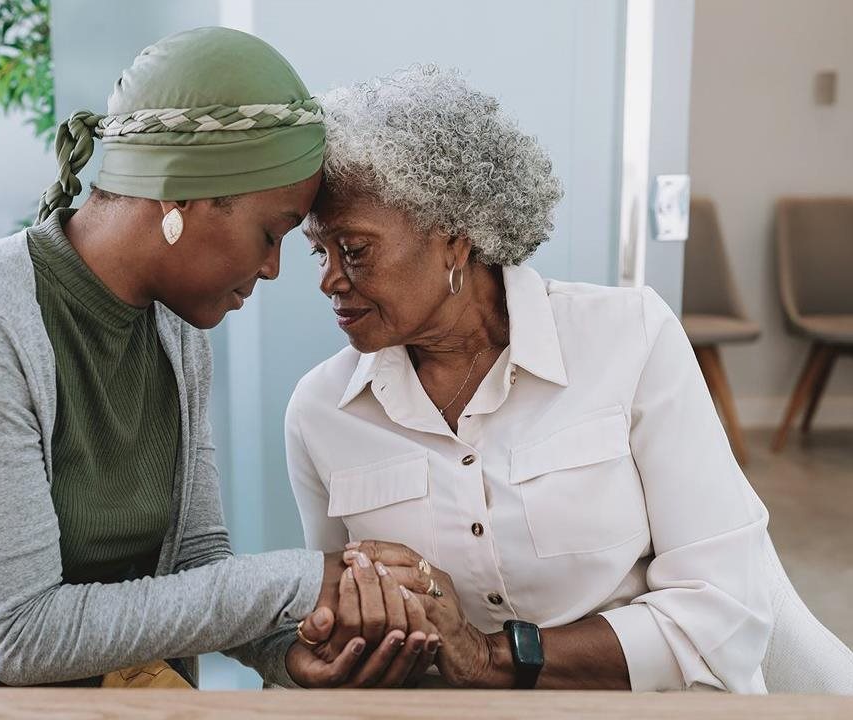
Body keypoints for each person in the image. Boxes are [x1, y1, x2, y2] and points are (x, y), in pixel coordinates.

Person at [0, 28, 436, 689]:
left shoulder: (175, 335)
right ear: (181, 195)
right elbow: (20, 636)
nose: (272, 268)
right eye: (271, 232)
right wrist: (302, 580)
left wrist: (284, 654)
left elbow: (196, 564)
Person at [282, 65, 774, 692]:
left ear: (455, 240)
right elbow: (346, 614)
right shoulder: (321, 410)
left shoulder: (629, 338)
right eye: (319, 252)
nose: (329, 279)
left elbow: (726, 610)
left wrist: (490, 657)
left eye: (354, 249)